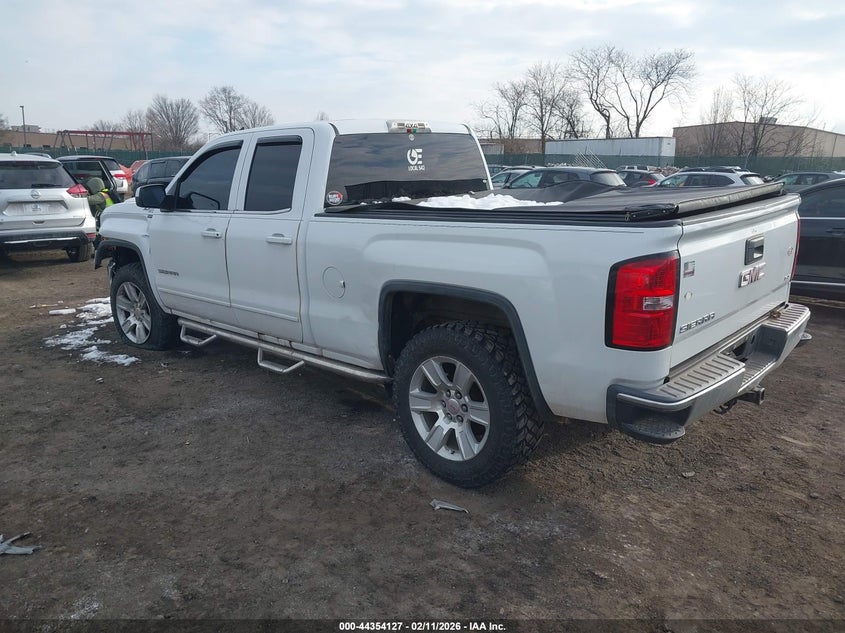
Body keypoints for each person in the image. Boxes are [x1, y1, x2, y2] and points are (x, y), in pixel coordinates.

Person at [85, 177, 114, 249]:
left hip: (109, 219)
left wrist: (83, 195)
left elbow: (88, 200)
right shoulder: (105, 192)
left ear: (94, 187)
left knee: (96, 231)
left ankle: (100, 248)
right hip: (110, 218)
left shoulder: (101, 195)